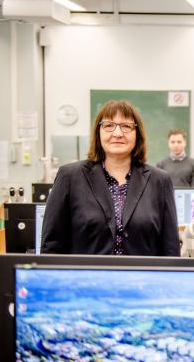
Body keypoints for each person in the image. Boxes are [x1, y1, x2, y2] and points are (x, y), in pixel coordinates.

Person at [41, 100, 179, 256]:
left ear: (137, 134)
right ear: (98, 133)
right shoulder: (69, 177)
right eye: (108, 126)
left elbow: (170, 248)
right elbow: (51, 246)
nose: (118, 133)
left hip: (142, 279)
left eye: (126, 126)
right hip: (85, 279)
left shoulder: (160, 181)